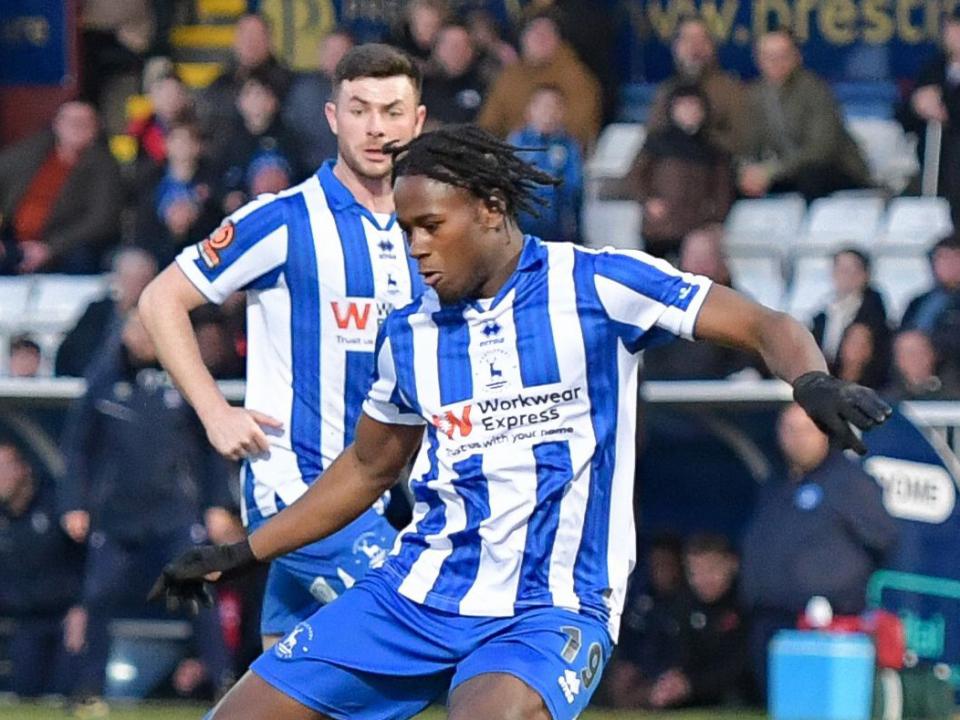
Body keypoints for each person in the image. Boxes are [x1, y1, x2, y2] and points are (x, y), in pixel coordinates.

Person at [149, 124, 892, 720]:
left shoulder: (597, 286)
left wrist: (812, 378)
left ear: (492, 210)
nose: (415, 248)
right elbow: (371, 469)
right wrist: (245, 552)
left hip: (549, 604)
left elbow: (760, 321)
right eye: (405, 230)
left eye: (431, 226)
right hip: (414, 592)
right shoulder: (408, 332)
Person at [138, 43, 427, 649]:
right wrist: (215, 412)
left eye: (392, 111)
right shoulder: (283, 220)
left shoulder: (423, 232)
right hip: (296, 486)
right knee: (413, 625)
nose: (376, 127)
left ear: (417, 121)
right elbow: (160, 300)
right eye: (360, 109)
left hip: (375, 494)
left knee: (285, 690)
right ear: (332, 118)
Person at [58, 311, 237, 704]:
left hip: (176, 513)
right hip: (116, 515)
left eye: (149, 328)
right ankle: (87, 690)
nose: (141, 337)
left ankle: (224, 682)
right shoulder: (103, 381)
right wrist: (74, 503)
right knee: (98, 598)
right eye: (135, 328)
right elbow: (77, 449)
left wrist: (217, 503)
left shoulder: (185, 378)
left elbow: (212, 446)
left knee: (199, 596)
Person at [740, 403, 898, 698]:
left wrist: (836, 583)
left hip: (821, 626)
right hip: (769, 619)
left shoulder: (848, 482)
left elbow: (884, 539)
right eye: (789, 430)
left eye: (805, 430)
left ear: (824, 433)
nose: (796, 438)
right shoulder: (774, 483)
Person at [737, 31, 870, 200]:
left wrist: (772, 171)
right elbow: (749, 145)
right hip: (786, 172)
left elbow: (821, 150)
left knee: (811, 176)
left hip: (835, 170)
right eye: (768, 56)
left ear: (797, 56)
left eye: (782, 55)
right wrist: (749, 171)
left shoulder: (815, 90)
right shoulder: (755, 94)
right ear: (758, 59)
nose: (775, 62)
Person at [0, 440, 85, 697]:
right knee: (24, 694)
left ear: (22, 469)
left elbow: (90, 560)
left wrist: (83, 607)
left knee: (66, 696)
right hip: (24, 621)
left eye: (3, 468)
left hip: (66, 619)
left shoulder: (58, 506)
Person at [0, 101, 123, 274]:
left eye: (84, 123)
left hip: (64, 246)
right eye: (70, 121)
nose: (76, 127)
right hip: (12, 239)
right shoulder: (31, 153)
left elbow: (101, 220)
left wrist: (50, 248)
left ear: (96, 128)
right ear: (57, 124)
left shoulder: (105, 166)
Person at [628, 84, 734, 257]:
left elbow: (722, 190)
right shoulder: (656, 143)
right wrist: (648, 201)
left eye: (694, 106)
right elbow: (634, 176)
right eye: (683, 106)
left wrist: (716, 219)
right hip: (659, 228)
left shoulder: (712, 150)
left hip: (696, 227)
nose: (689, 112)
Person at [478, 12, 602, 150]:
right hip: (510, 157)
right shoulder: (509, 76)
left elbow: (581, 126)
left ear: (558, 40)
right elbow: (488, 124)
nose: (540, 38)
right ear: (523, 39)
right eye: (534, 32)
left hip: (559, 156)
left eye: (547, 34)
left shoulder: (577, 77)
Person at [648, 18, 748, 156]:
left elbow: (742, 144)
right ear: (676, 47)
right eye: (687, 39)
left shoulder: (731, 89)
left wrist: (699, 132)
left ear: (712, 47)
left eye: (701, 40)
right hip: (672, 168)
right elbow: (652, 138)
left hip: (715, 170)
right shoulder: (666, 90)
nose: (695, 47)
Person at [55, 247, 158, 377]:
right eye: (129, 279)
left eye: (142, 280)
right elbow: (70, 353)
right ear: (117, 279)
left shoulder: (157, 316)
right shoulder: (97, 312)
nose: (136, 287)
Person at [507, 85, 583, 243]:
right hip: (522, 228)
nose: (548, 113)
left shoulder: (569, 145)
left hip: (559, 229)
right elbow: (509, 183)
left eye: (555, 107)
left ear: (563, 112)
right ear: (530, 111)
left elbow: (575, 187)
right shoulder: (516, 142)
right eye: (542, 106)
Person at [282, 29, 356, 171]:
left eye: (340, 51)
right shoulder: (302, 91)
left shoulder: (367, 91)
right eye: (329, 50)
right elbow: (290, 136)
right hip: (309, 173)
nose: (334, 57)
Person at [811, 248, 890, 373]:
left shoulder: (873, 307)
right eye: (841, 270)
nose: (846, 276)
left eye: (852, 270)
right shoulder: (824, 312)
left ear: (865, 274)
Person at [900, 233, 960, 379]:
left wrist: (927, 346)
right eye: (943, 257)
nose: (949, 264)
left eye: (956, 257)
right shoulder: (918, 301)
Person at [421, 22, 487, 128]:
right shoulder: (421, 89)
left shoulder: (485, 84)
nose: (458, 52)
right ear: (437, 50)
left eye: (464, 46)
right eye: (452, 46)